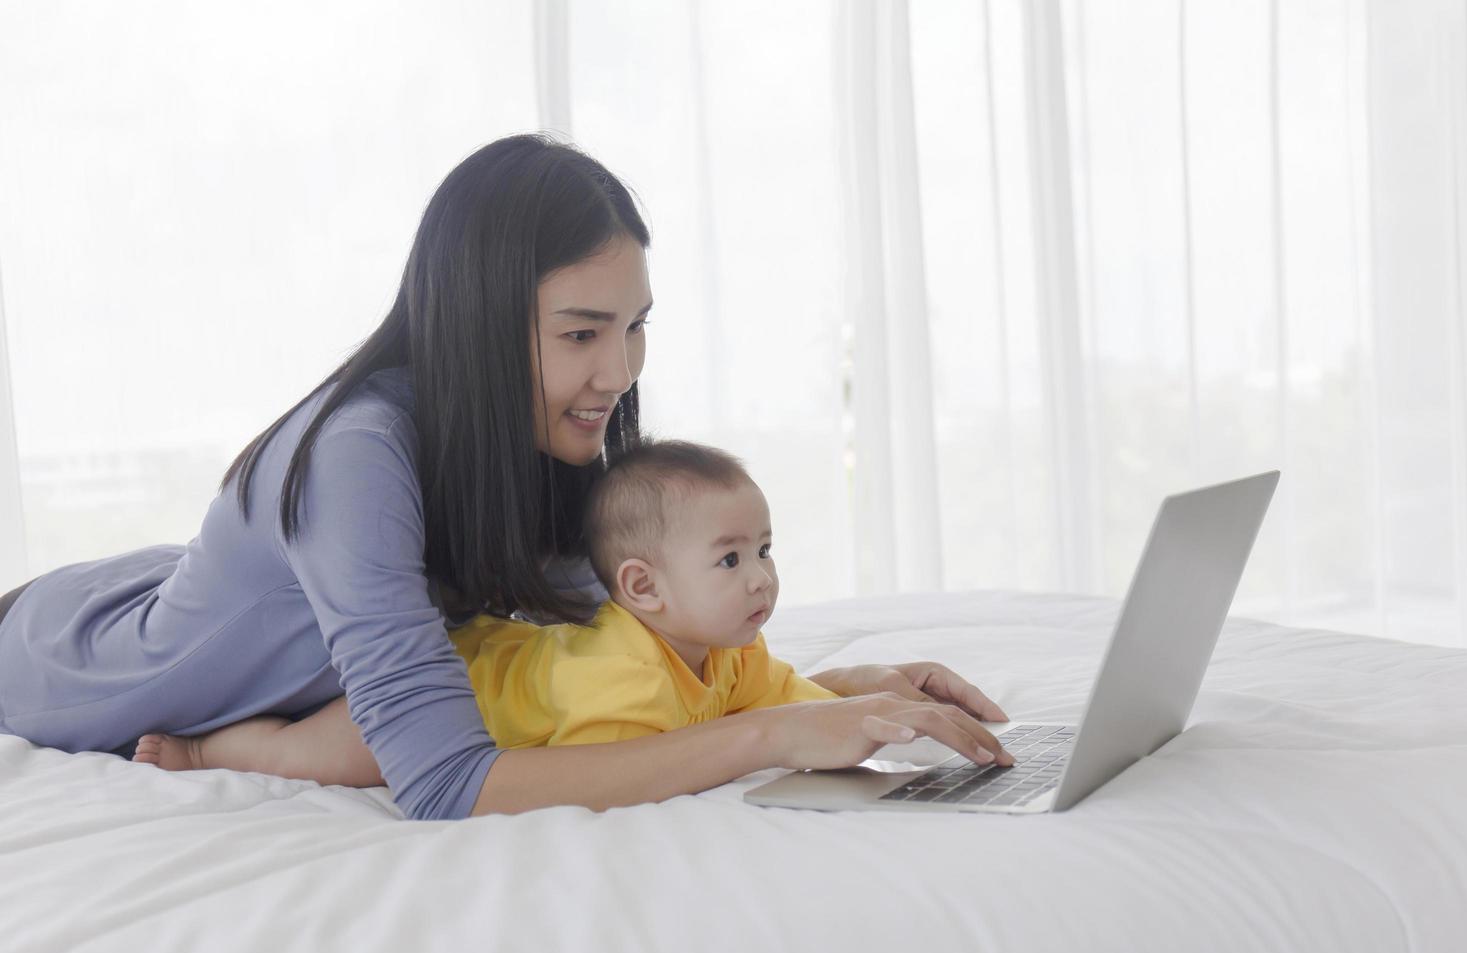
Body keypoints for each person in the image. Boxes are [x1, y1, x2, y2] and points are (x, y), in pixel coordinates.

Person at [0, 134, 1013, 821]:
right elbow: (447, 780)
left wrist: (853, 696)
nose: (617, 375)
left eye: (635, 328)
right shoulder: (357, 456)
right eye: (582, 332)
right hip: (59, 660)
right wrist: (776, 736)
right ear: (481, 326)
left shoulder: (527, 442)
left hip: (190, 594)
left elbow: (603, 678)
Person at [132, 440, 864, 783]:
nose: (761, 579)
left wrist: (877, 703)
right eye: (731, 560)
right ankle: (206, 749)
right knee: (326, 758)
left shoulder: (732, 649)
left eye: (764, 550)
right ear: (644, 589)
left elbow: (792, 703)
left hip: (497, 653)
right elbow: (617, 775)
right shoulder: (627, 684)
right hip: (450, 690)